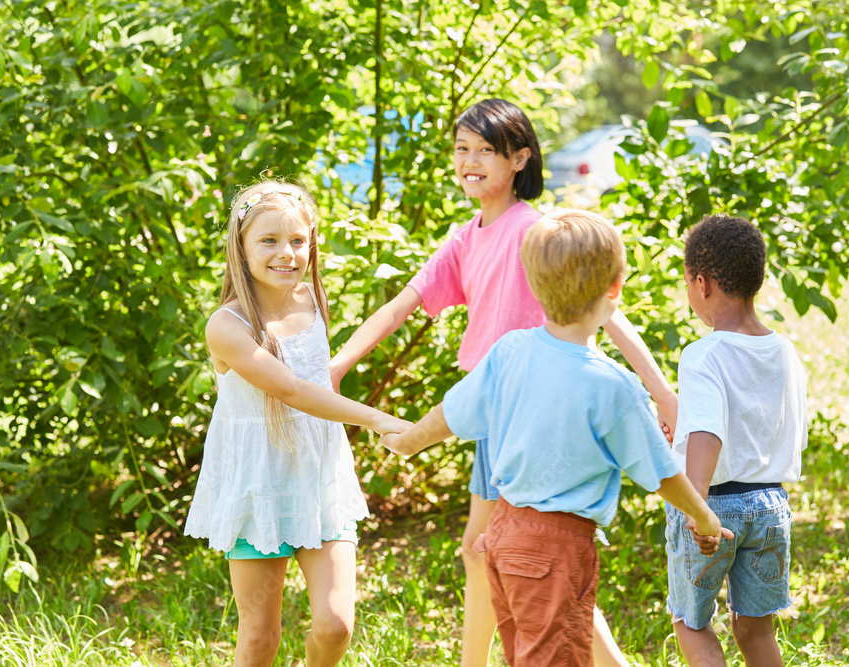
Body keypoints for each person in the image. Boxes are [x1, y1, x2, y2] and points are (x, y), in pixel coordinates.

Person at [330, 98, 677, 667]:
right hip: (496, 412)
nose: (469, 162)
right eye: (461, 150)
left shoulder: (536, 232)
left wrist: (662, 393)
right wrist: (339, 365)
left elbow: (609, 313)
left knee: (510, 552)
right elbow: (400, 306)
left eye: (484, 151)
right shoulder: (467, 236)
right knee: (492, 551)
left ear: (519, 159)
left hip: (533, 413)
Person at [379, 209, 731, 666]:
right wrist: (703, 517)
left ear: (533, 283)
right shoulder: (613, 386)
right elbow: (661, 473)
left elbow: (452, 412)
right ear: (615, 290)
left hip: (502, 533)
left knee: (529, 653)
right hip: (556, 546)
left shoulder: (509, 352)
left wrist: (407, 442)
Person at [184, 180, 410, 667]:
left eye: (298, 241)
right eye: (268, 240)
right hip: (258, 483)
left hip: (319, 479)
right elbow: (293, 390)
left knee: (335, 626)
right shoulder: (227, 326)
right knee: (261, 637)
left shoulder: (309, 300)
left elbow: (317, 378)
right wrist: (380, 420)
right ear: (240, 247)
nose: (286, 253)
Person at [667, 214, 808, 667]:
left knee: (691, 623)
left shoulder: (704, 353)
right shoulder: (784, 350)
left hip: (714, 507)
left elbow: (708, 430)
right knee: (754, 626)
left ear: (702, 283)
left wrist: (696, 507)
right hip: (771, 506)